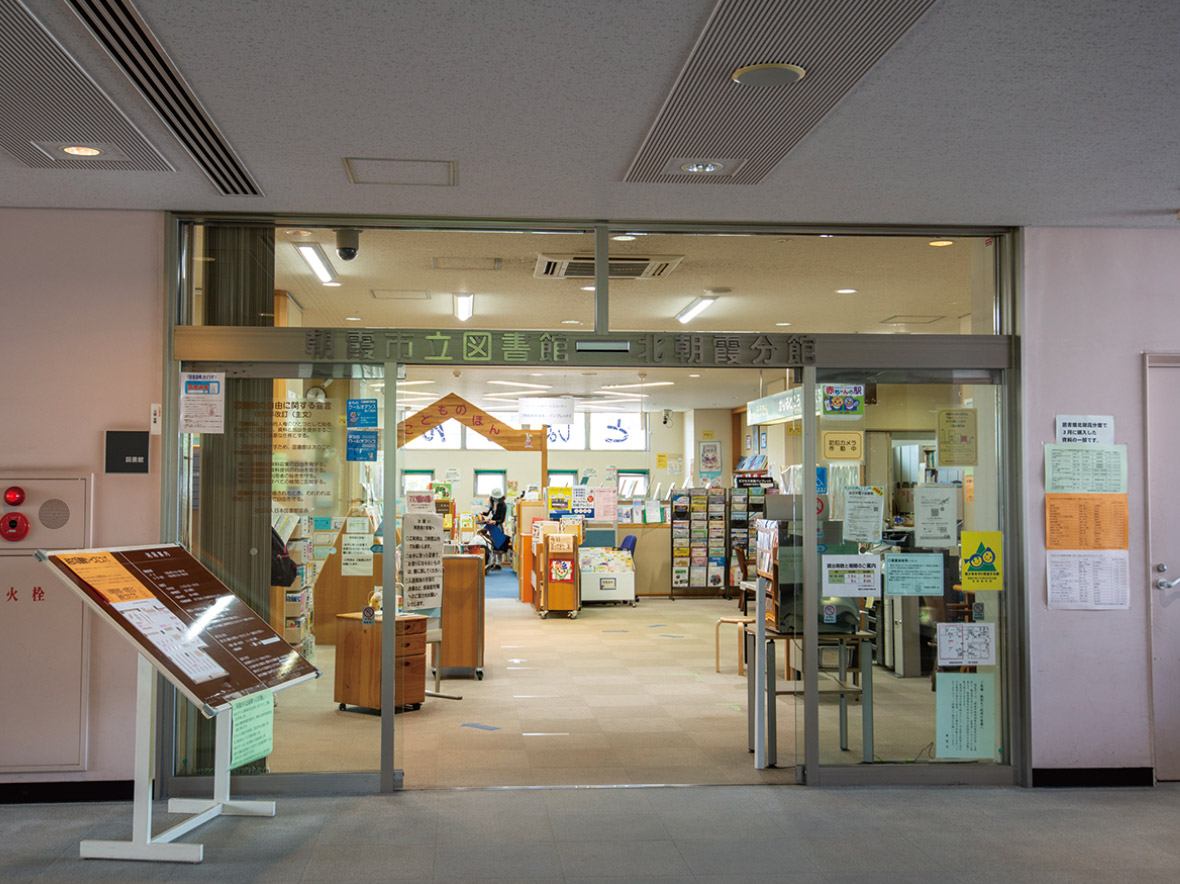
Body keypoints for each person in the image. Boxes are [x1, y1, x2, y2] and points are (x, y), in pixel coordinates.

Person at [477, 488, 508, 570]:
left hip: (497, 526)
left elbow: (502, 519)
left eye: (496, 497)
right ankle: (490, 563)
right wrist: (483, 513)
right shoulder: (493, 503)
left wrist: (494, 522)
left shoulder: (503, 505)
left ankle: (498, 564)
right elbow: (489, 513)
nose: (494, 498)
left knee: (498, 545)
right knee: (491, 545)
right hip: (491, 526)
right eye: (493, 497)